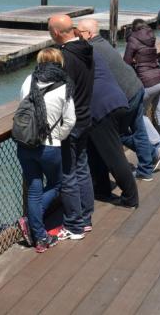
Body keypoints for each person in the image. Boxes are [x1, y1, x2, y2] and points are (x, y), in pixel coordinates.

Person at [78, 18, 160, 182]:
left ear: (88, 33)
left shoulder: (92, 49)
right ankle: (147, 165)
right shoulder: (103, 42)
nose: (77, 36)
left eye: (78, 33)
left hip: (126, 94)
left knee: (116, 134)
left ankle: (150, 155)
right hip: (135, 87)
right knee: (138, 130)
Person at [15, 49, 76, 253]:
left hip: (25, 144)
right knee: (57, 184)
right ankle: (33, 223)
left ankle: (39, 236)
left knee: (34, 189)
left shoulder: (28, 80)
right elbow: (70, 120)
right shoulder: (63, 86)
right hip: (50, 145)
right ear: (59, 62)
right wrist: (59, 136)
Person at [47, 14, 94, 239]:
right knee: (82, 168)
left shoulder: (65, 57)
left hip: (71, 121)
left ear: (56, 32)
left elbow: (60, 93)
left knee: (68, 173)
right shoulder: (86, 49)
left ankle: (74, 225)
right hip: (86, 116)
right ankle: (85, 218)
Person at [87, 51, 139, 208]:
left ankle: (131, 197)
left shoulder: (75, 57)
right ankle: (102, 188)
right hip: (117, 101)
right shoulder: (93, 53)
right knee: (96, 151)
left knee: (114, 155)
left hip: (102, 109)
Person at [123, 18, 160, 153]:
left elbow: (126, 62)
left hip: (148, 81)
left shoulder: (133, 39)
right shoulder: (151, 37)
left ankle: (157, 142)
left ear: (134, 29)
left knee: (139, 113)